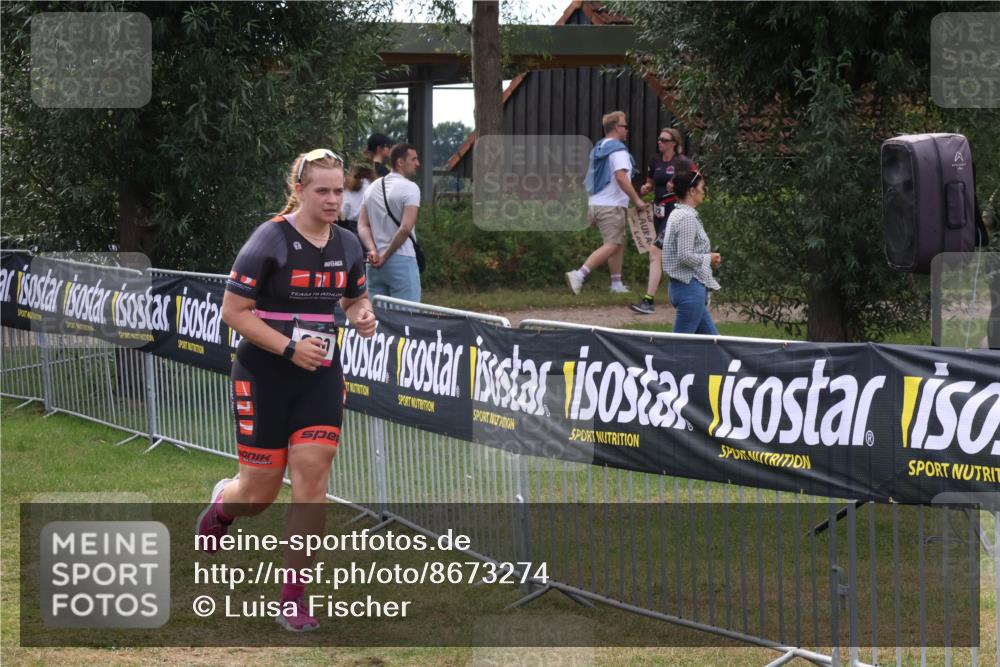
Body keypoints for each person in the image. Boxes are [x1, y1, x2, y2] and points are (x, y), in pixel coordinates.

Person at [197, 148, 378, 632]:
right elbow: (233, 312)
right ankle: (224, 505)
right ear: (299, 190)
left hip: (320, 376)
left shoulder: (348, 243)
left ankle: (293, 598)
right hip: (263, 375)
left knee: (312, 484)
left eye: (339, 191)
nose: (333, 200)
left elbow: (355, 297)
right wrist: (288, 349)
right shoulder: (270, 238)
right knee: (259, 494)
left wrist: (362, 316)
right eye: (322, 191)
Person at [566, 111, 647, 295]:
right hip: (611, 205)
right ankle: (579, 275)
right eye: (625, 126)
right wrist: (637, 200)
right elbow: (621, 177)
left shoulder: (599, 148)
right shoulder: (618, 150)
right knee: (612, 244)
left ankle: (616, 284)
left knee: (617, 243)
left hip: (597, 203)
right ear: (617, 128)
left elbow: (592, 179)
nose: (627, 130)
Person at [631, 127, 696, 314]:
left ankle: (648, 301)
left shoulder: (682, 162)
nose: (660, 142)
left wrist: (678, 185)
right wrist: (646, 187)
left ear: (674, 143)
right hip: (658, 211)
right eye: (659, 139)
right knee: (677, 254)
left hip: (675, 211)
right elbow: (651, 182)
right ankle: (703, 286)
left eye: (664, 140)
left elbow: (697, 180)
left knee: (655, 251)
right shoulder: (655, 161)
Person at [357, 142, 422, 302]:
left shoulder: (372, 187)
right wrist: (385, 256)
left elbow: (362, 224)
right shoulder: (410, 188)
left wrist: (373, 250)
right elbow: (405, 228)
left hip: (373, 264)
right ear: (400, 162)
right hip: (401, 259)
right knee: (406, 314)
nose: (418, 163)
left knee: (377, 315)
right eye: (414, 159)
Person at [661, 170, 722, 335]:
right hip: (689, 290)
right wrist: (708, 258)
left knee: (714, 343)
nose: (704, 191)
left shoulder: (677, 213)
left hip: (684, 288)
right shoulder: (686, 218)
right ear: (692, 191)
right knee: (678, 345)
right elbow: (684, 255)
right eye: (702, 187)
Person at [339, 162, 372, 238]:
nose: (359, 180)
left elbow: (343, 213)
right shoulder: (344, 190)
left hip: (357, 223)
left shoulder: (366, 186)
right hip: (352, 224)